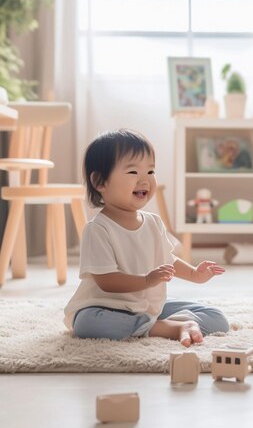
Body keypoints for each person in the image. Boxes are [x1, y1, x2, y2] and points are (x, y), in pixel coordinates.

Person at [64, 129, 229, 346]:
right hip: (104, 307)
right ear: (100, 182)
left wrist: (194, 274)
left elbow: (166, 260)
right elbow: (107, 281)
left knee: (217, 319)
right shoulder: (98, 229)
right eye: (133, 172)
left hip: (145, 307)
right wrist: (147, 280)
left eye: (150, 171)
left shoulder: (153, 222)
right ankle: (169, 327)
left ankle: (155, 324)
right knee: (86, 325)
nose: (145, 180)